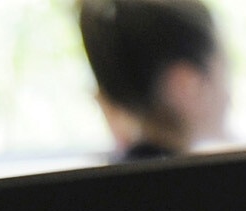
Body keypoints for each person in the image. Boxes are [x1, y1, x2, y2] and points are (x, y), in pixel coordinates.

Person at [78, 0, 229, 161]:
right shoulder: (221, 181)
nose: (228, 96)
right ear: (187, 85)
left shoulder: (108, 178)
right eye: (225, 72)